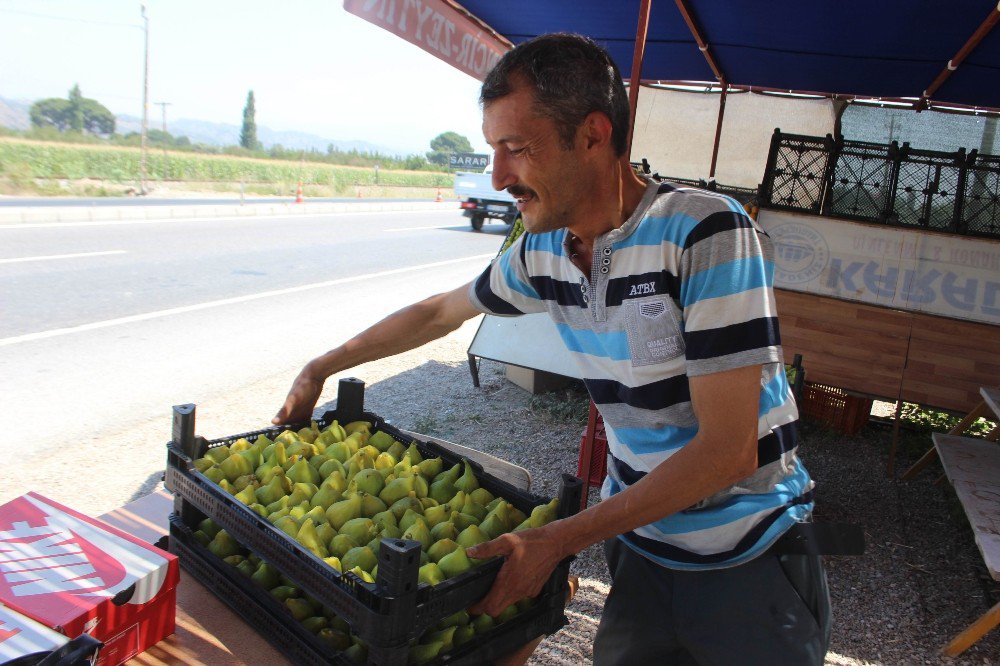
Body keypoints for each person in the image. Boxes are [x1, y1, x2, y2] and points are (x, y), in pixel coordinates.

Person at [274, 33, 830, 666]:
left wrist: (556, 540)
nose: (499, 176)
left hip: (751, 554)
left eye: (517, 150)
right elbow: (436, 313)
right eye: (493, 151)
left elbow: (728, 450)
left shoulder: (707, 234)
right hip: (640, 545)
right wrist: (322, 366)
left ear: (592, 135)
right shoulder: (544, 254)